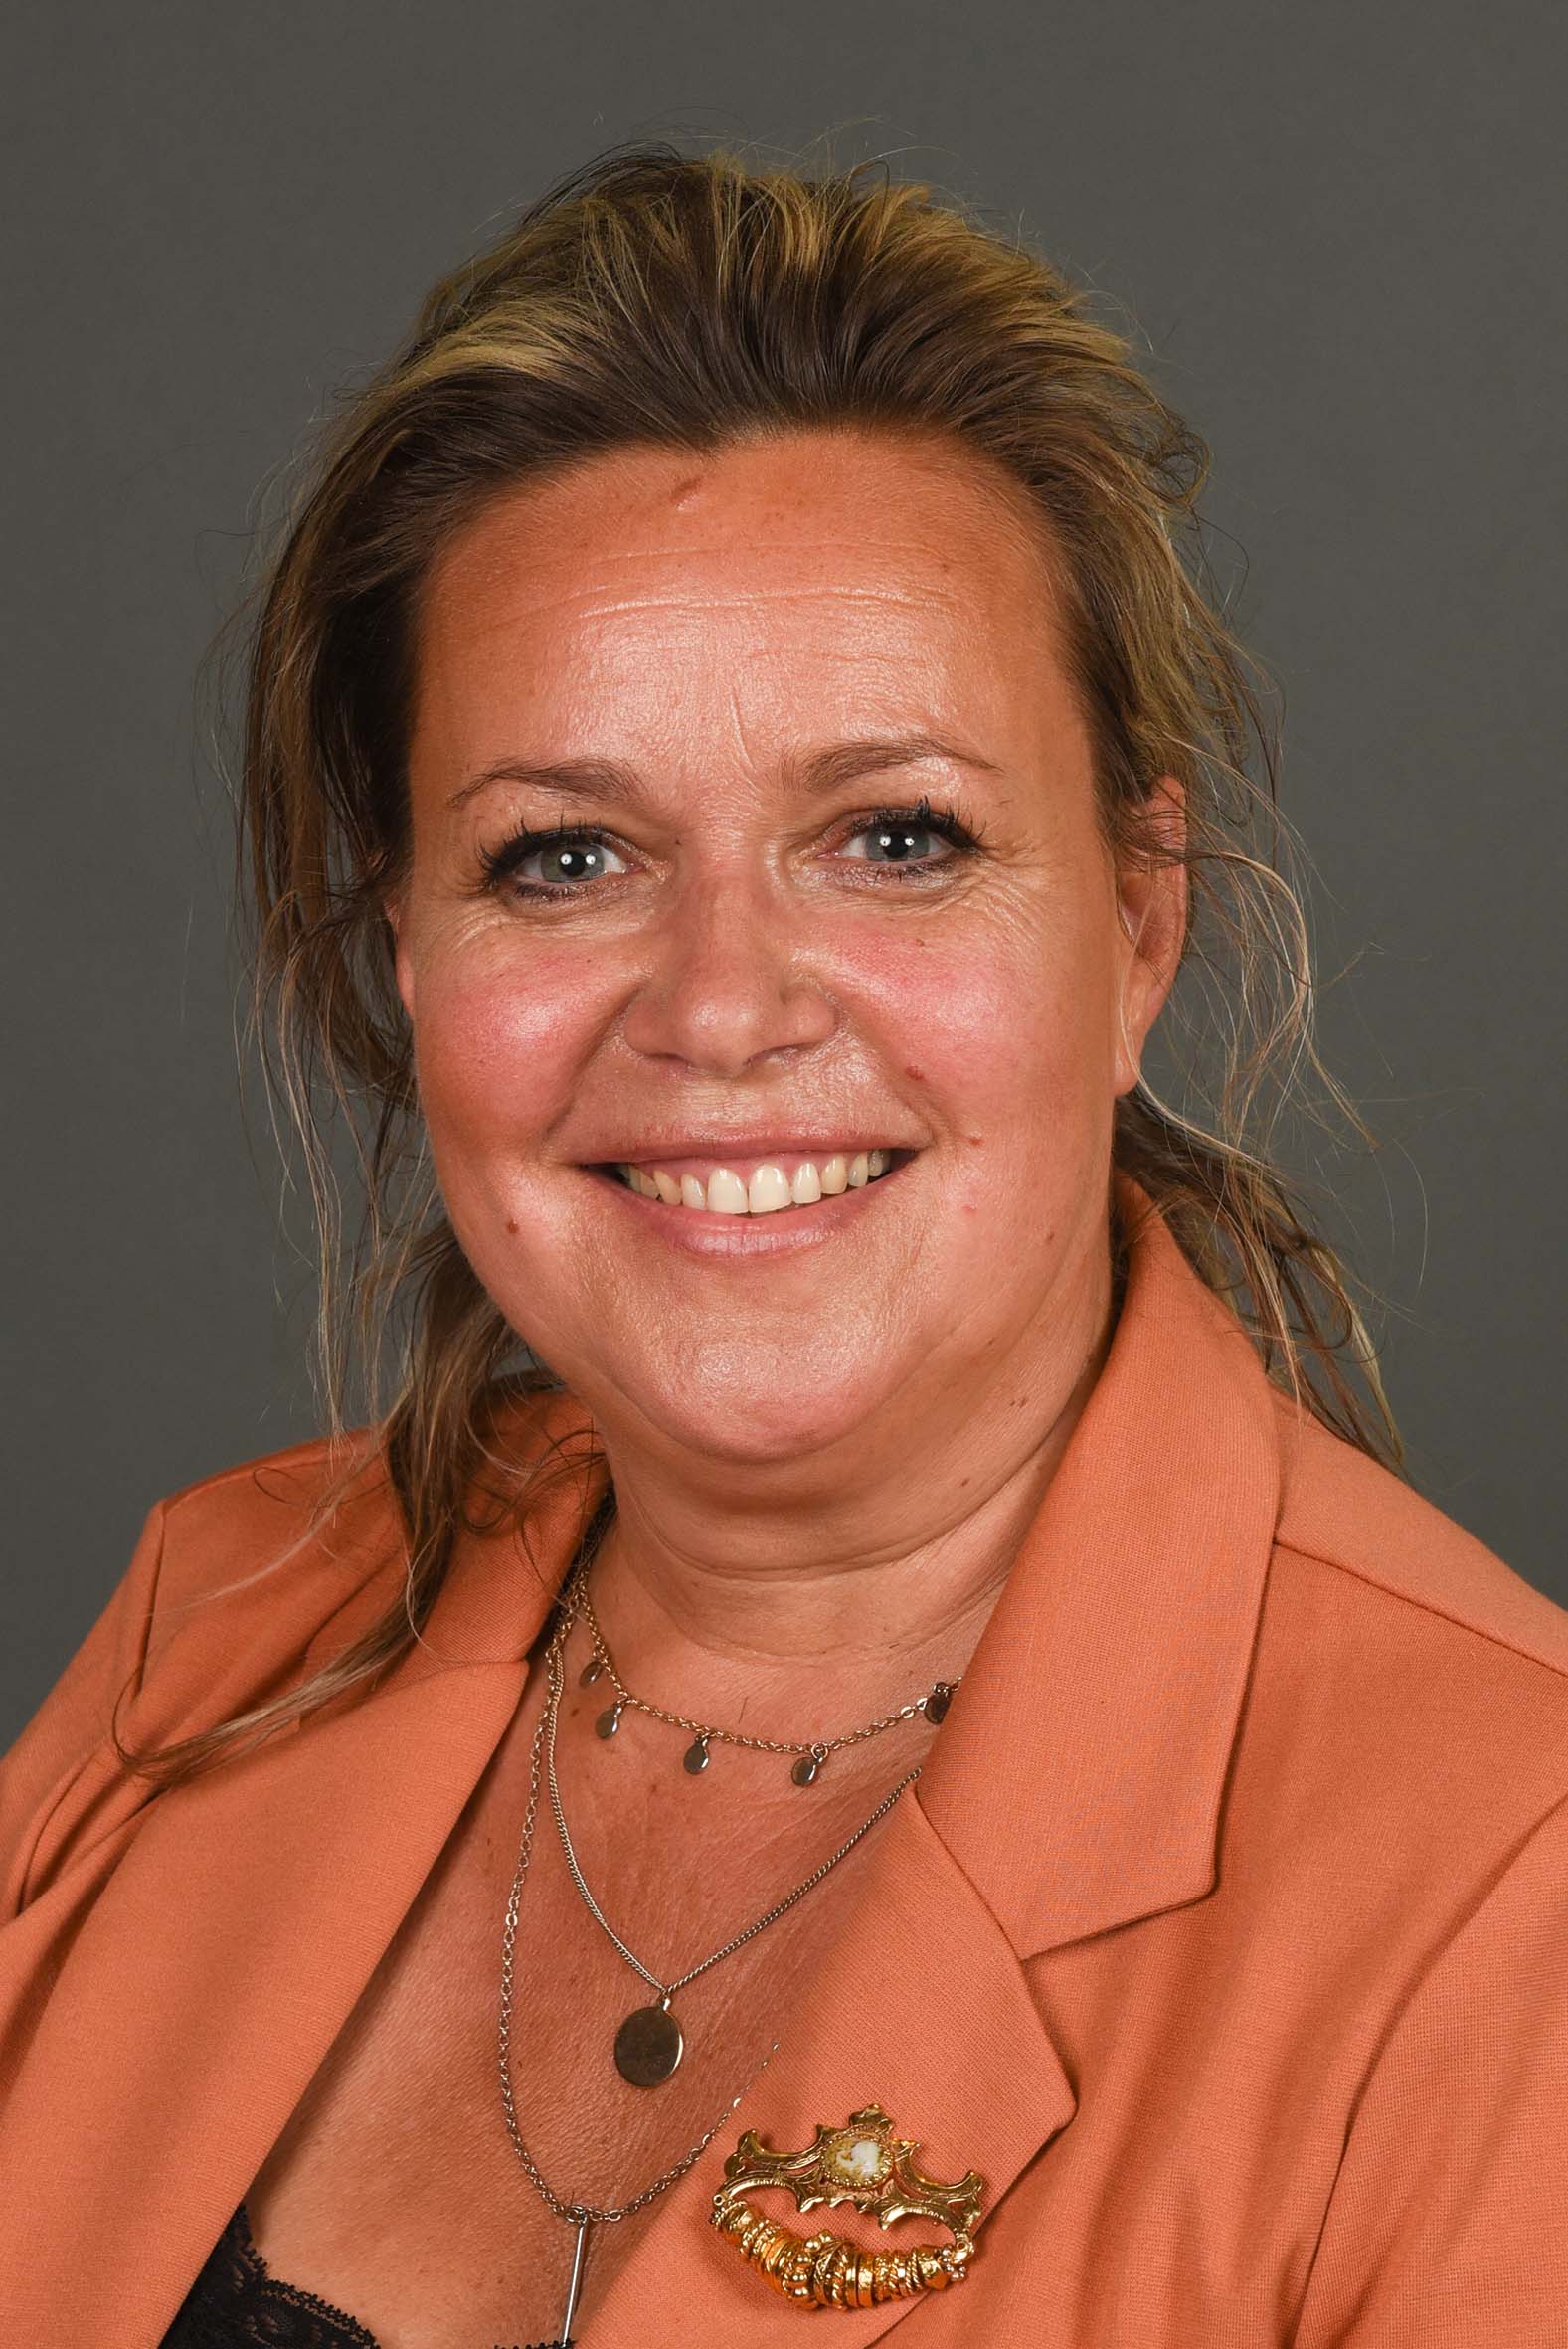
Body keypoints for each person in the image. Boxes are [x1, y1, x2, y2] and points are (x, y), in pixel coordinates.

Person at [3, 143, 1564, 2349]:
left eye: (895, 836)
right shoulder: (211, 1641)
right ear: (407, 952)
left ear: (1137, 923)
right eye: (562, 856)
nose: (723, 1009)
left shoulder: (1515, 1886)